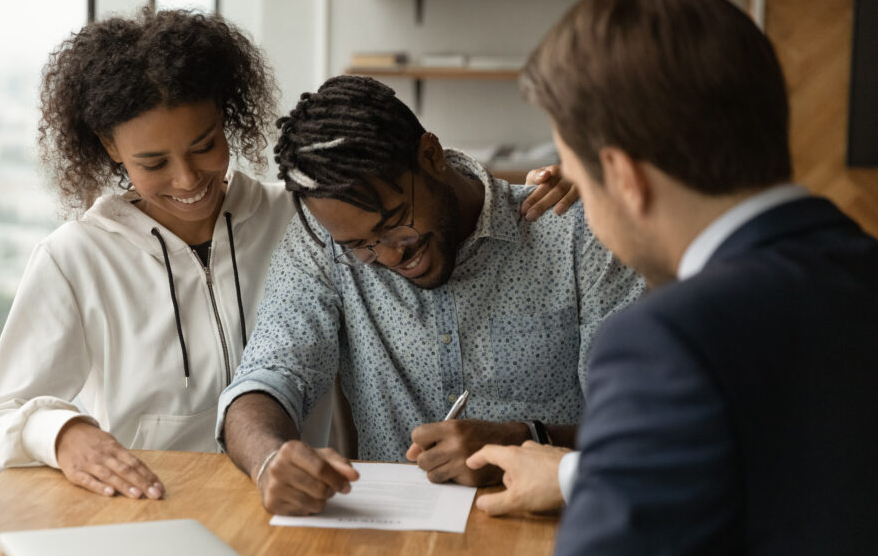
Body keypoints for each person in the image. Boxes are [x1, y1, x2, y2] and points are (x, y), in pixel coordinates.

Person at [482, 0, 878, 556]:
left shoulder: (667, 342)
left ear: (626, 178)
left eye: (577, 180)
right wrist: (584, 471)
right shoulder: (858, 272)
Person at [216, 75, 646, 515]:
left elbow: (642, 424)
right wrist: (269, 459)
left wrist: (527, 440)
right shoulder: (322, 248)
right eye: (360, 245)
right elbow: (266, 378)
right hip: (391, 539)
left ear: (431, 155)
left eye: (395, 223)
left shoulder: (574, 234)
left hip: (559, 528)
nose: (387, 255)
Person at [0, 8, 300, 498]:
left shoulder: (295, 220)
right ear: (110, 147)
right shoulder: (75, 258)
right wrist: (62, 434)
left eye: (204, 146)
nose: (187, 179)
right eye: (154, 162)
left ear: (225, 117)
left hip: (295, 509)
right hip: (151, 512)